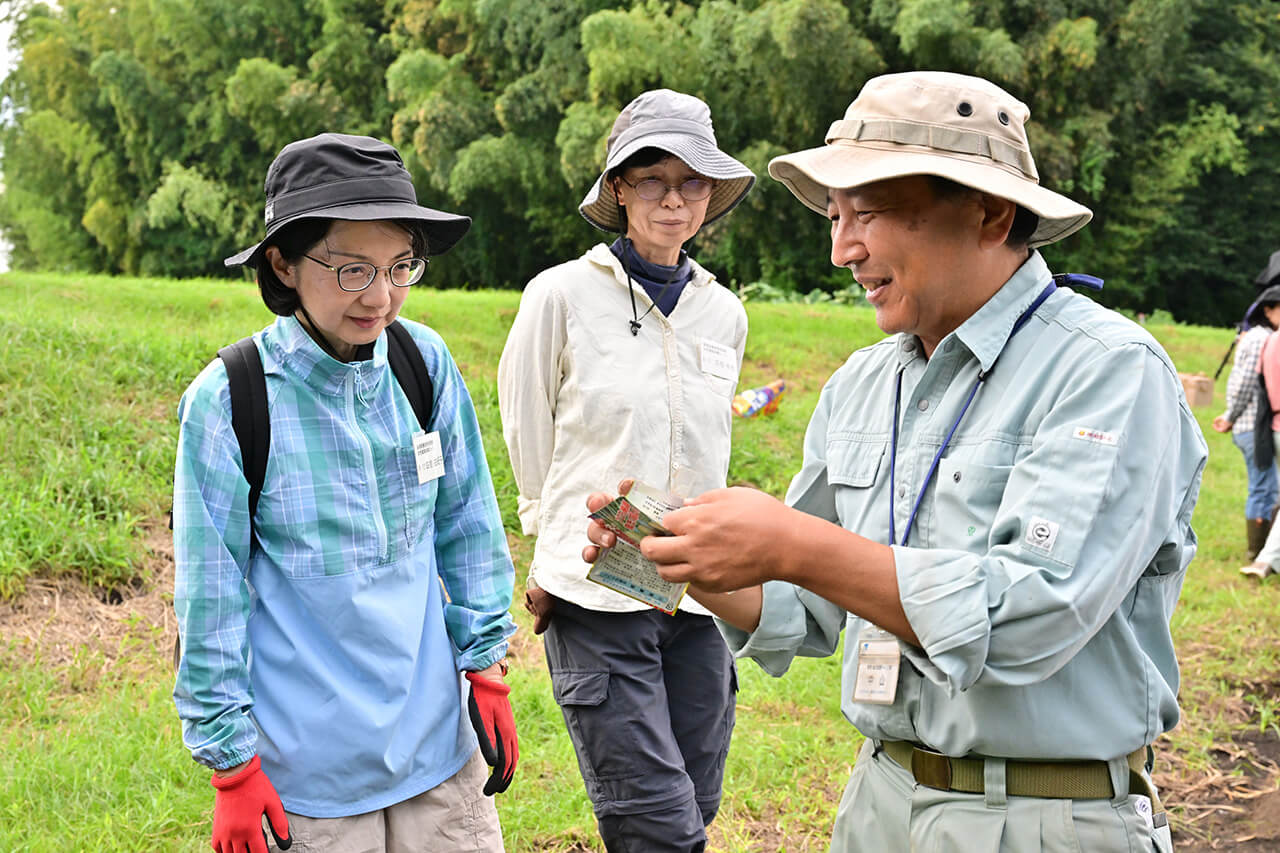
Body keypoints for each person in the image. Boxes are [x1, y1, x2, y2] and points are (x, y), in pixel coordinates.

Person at [586, 71, 1207, 852]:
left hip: (1045, 816)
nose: (843, 248)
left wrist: (793, 543)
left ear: (989, 213)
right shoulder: (863, 383)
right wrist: (697, 566)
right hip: (879, 799)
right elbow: (805, 607)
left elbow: (1031, 616)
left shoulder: (1107, 371)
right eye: (837, 215)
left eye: (868, 213)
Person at [172, 133, 518, 853]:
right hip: (311, 780)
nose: (382, 296)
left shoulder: (424, 363)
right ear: (283, 263)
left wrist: (485, 660)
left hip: (438, 758)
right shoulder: (230, 401)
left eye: (401, 266)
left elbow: (468, 521)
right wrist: (232, 768)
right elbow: (212, 597)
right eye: (353, 269)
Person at [497, 89, 754, 851]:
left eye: (692, 183)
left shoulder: (724, 312)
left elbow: (712, 450)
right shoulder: (561, 295)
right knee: (656, 825)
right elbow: (526, 423)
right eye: (652, 181)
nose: (674, 201)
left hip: (694, 593)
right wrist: (545, 542)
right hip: (596, 584)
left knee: (694, 798)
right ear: (618, 188)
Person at [1212, 285, 1280, 563]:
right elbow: (1244, 384)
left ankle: (1263, 552)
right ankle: (1258, 554)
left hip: (1254, 425)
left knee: (1266, 485)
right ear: (1268, 310)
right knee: (1263, 486)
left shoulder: (1261, 337)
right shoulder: (1259, 339)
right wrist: (1230, 415)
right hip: (1253, 425)